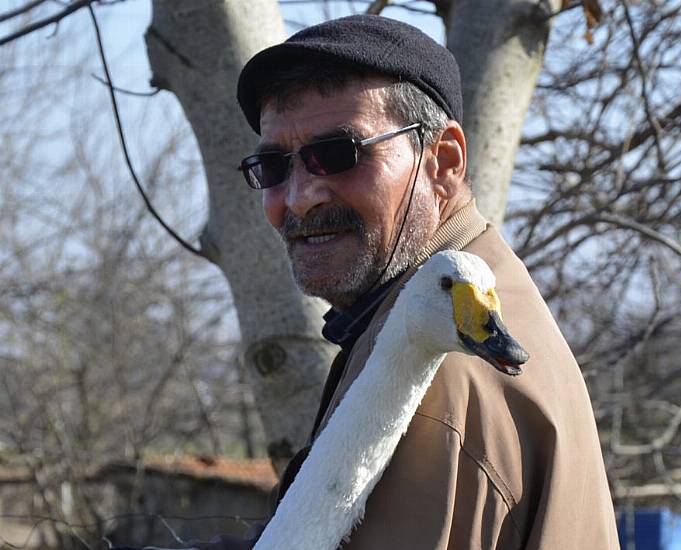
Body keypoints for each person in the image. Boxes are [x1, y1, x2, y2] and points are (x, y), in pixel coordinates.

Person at [121, 13, 619, 550]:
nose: (299, 197)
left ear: (443, 162)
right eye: (273, 166)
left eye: (338, 155)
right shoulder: (442, 301)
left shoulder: (437, 371)